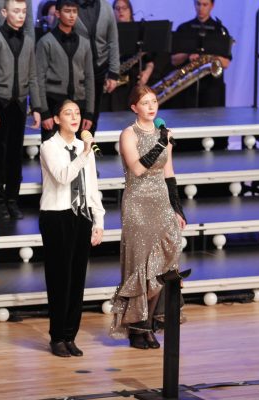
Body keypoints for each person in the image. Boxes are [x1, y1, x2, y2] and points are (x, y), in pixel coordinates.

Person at [109, 86, 186, 349]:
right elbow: (138, 168)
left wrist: (177, 208)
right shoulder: (128, 134)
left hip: (161, 201)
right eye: (145, 102)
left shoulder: (163, 133)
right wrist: (161, 144)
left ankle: (149, 322)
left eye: (154, 101)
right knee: (141, 265)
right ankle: (137, 328)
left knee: (165, 261)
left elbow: (169, 172)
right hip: (138, 204)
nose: (152, 106)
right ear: (134, 108)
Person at [39, 99, 104, 357]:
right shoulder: (48, 146)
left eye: (77, 113)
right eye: (68, 113)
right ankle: (56, 337)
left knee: (77, 279)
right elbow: (64, 176)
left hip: (81, 214)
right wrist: (85, 153)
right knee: (59, 279)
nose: (74, 117)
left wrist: (98, 221)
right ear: (57, 119)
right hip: (57, 215)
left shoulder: (83, 147)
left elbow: (92, 187)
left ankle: (70, 335)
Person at [0, 0, 41, 220]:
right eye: (16, 11)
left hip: (19, 103)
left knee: (15, 154)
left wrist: (36, 106)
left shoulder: (27, 40)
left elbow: (33, 76)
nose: (21, 15)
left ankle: (12, 199)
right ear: (4, 12)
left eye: (24, 11)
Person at [171, 0, 232, 149]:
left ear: (212, 6)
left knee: (213, 121)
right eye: (198, 4)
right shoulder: (184, 29)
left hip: (212, 86)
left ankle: (217, 149)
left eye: (205, 5)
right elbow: (174, 60)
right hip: (188, 86)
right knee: (186, 122)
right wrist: (187, 55)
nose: (201, 8)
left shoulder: (220, 30)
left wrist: (210, 57)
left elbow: (226, 63)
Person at [36, 0, 94, 142]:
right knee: (52, 152)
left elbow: (89, 78)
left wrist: (89, 113)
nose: (71, 15)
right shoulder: (46, 42)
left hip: (79, 102)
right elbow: (39, 79)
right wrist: (44, 112)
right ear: (57, 13)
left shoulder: (85, 43)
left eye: (74, 11)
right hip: (53, 102)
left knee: (79, 150)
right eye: (67, 11)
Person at [73, 0, 120, 134]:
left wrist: (113, 73)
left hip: (99, 68)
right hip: (77, 69)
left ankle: (88, 150)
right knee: (75, 113)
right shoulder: (70, 5)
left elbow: (113, 41)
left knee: (92, 116)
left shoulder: (106, 7)